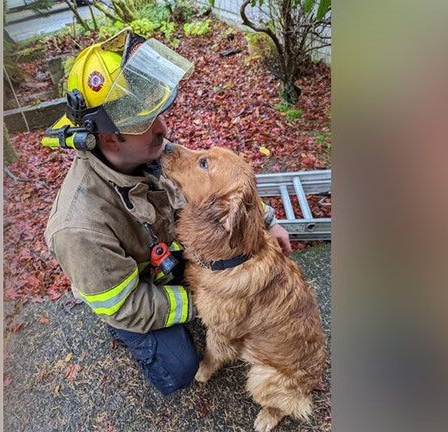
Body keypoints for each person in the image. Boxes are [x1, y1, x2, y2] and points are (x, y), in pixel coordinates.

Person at [42, 28, 292, 396]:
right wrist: (206, 304)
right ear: (110, 138)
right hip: (133, 294)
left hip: (169, 260)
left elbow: (215, 187)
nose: (164, 127)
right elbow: (124, 303)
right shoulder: (80, 227)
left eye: (157, 113)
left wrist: (267, 222)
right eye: (147, 121)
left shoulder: (147, 149)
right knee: (179, 370)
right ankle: (134, 335)